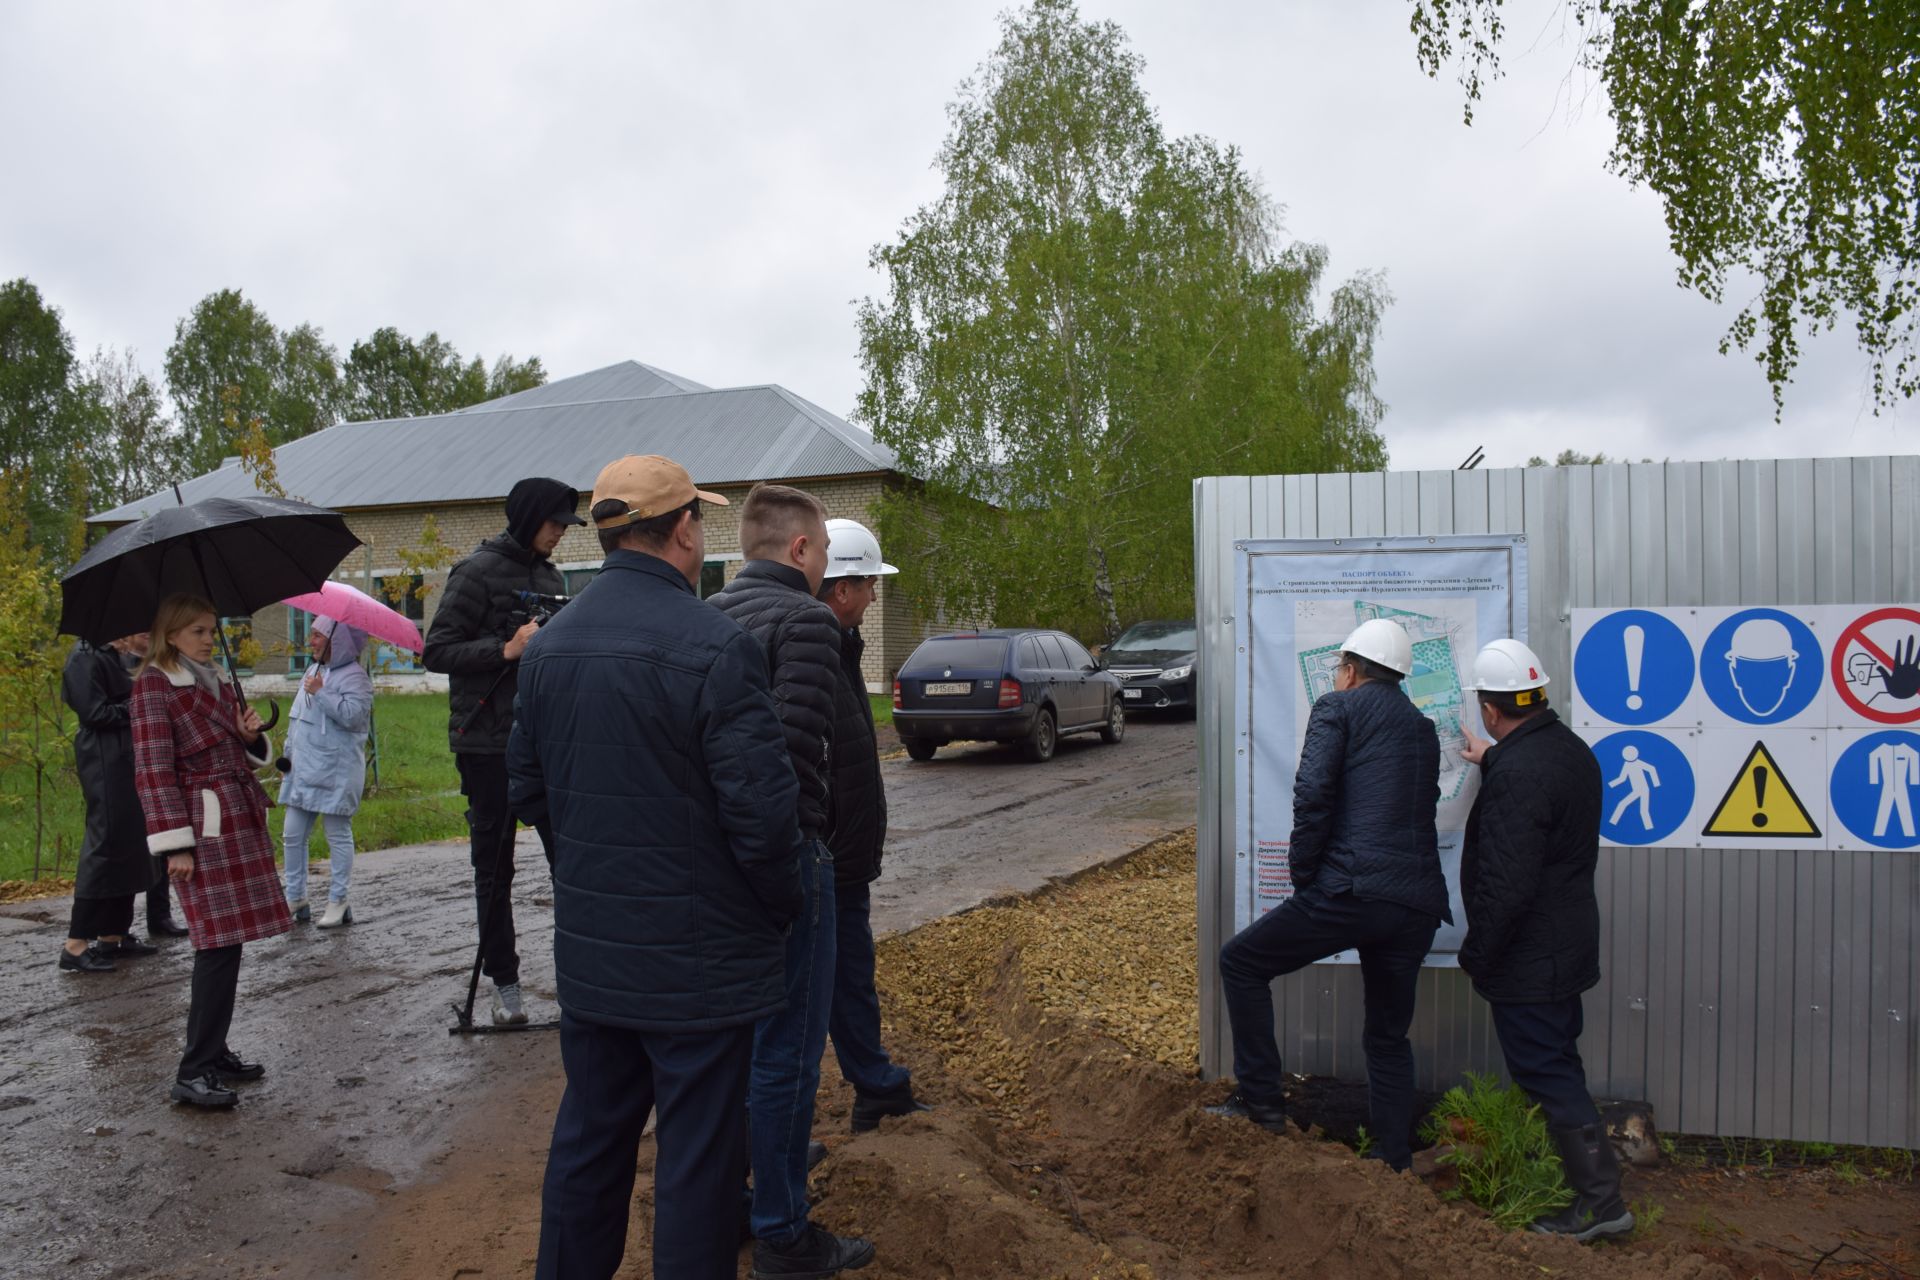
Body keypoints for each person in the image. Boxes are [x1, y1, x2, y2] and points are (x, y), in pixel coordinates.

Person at [507, 455, 805, 1280]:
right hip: (699, 969)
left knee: (591, 1138)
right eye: (700, 521)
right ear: (681, 530)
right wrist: (778, 910)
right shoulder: (718, 646)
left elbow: (528, 789)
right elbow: (764, 819)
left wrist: (594, 873)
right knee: (698, 1164)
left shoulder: (549, 647)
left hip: (599, 953)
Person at [1207, 618, 1448, 1172]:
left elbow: (1312, 791)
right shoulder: (1422, 728)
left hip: (1353, 889)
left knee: (1241, 962)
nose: (1337, 677)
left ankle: (1260, 1102)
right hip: (1415, 905)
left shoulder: (1336, 708)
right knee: (1387, 1036)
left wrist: (1305, 877)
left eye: (1339, 669)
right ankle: (1393, 1163)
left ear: (1350, 670)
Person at [709, 486, 874, 1277]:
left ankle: (747, 1194)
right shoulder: (805, 620)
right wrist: (792, 871)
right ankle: (782, 1231)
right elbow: (791, 757)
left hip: (716, 864)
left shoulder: (711, 612)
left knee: (741, 1046)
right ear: (804, 552)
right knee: (789, 1051)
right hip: (787, 859)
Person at [1459, 639, 1634, 1242]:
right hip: (1566, 943)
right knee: (1559, 1060)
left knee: (1548, 1072)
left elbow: (1507, 883)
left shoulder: (1520, 771)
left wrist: (1477, 955)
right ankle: (1594, 1190)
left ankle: (1600, 1203)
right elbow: (1538, 797)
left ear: (1489, 708)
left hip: (1531, 955)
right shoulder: (1567, 751)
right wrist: (1492, 760)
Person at [422, 477, 580, 1025]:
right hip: (486, 744)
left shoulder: (552, 574)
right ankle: (504, 984)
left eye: (565, 526)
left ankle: (579, 979)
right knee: (495, 868)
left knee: (571, 861)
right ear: (529, 517)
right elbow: (436, 650)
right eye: (555, 523)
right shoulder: (475, 572)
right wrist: (506, 648)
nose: (561, 534)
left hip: (543, 740)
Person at [130, 594, 289, 1109]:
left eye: (210, 629)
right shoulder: (154, 685)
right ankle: (193, 1070)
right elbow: (153, 771)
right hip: (201, 828)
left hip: (234, 816)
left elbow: (238, 753)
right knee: (215, 947)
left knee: (231, 941)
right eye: (198, 631)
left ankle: (215, 1052)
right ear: (172, 634)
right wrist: (176, 845)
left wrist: (249, 736)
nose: (208, 638)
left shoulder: (213, 678)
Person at [817, 519, 929, 1132]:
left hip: (843, 857)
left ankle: (875, 1083)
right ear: (841, 589)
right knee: (818, 990)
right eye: (869, 584)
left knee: (850, 976)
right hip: (824, 859)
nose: (875, 597)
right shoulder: (812, 653)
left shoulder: (842, 649)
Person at [58, 633, 178, 973]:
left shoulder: (116, 655)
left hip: (125, 757)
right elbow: (94, 712)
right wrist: (138, 707)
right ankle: (76, 943)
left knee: (129, 842)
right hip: (103, 760)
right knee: (105, 842)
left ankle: (113, 936)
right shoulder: (84, 655)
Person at [280, 617, 373, 928]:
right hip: (303, 770)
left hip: (336, 771)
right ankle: (296, 896)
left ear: (338, 639)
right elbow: (298, 720)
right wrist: (287, 755)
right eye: (313, 635)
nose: (312, 641)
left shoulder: (356, 678)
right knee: (292, 835)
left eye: (318, 635)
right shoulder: (312, 671)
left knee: (337, 836)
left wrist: (322, 693)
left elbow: (354, 717)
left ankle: (338, 899)